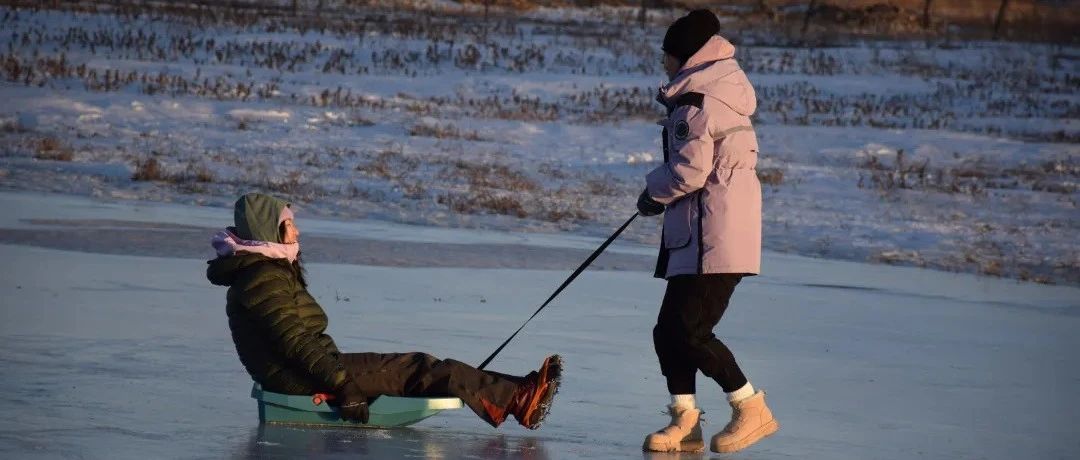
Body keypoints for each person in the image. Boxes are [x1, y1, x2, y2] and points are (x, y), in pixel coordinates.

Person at [206, 192, 561, 429]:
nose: (297, 230)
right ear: (271, 231)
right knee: (418, 369)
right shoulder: (262, 277)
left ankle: (515, 391)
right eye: (289, 225)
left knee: (417, 370)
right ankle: (517, 399)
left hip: (300, 370)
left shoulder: (261, 271)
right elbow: (296, 342)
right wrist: (343, 386)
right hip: (300, 377)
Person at [636, 9, 778, 454]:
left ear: (687, 57)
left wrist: (650, 193)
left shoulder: (696, 103)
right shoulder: (715, 94)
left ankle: (751, 407)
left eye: (668, 55)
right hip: (701, 234)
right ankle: (686, 422)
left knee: (691, 332)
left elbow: (689, 172)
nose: (664, 64)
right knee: (669, 332)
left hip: (711, 237)